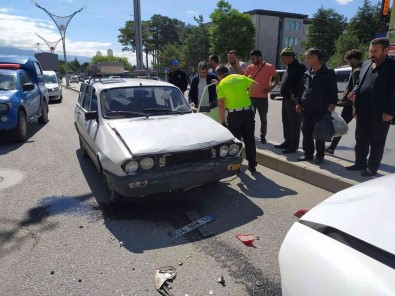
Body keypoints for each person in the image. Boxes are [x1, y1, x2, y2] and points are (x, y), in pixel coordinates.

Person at [346, 37, 395, 176]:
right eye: (370, 50)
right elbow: (359, 83)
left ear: (386, 50)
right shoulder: (366, 64)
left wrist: (390, 112)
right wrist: (354, 92)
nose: (371, 53)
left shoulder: (392, 66)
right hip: (363, 109)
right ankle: (360, 162)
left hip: (380, 112)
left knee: (377, 141)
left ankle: (372, 168)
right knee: (360, 138)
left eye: (375, 51)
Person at [295, 48, 338, 164]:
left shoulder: (327, 72)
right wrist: (298, 102)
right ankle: (308, 154)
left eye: (308, 57)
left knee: (320, 132)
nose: (306, 60)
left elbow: (333, 89)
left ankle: (320, 155)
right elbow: (302, 89)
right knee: (306, 131)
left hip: (321, 107)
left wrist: (333, 102)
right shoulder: (307, 73)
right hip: (306, 107)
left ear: (315, 58)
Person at [216, 64, 259, 173]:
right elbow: (255, 85)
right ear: (228, 71)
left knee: (236, 141)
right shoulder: (240, 77)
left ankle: (236, 166)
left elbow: (221, 104)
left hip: (234, 116)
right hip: (248, 112)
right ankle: (252, 164)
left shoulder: (221, 84)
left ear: (219, 75)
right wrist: (248, 96)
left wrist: (223, 120)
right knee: (249, 138)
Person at [325, 49, 363, 156]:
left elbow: (356, 89)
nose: (348, 63)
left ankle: (331, 149)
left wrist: (354, 107)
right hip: (356, 105)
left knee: (339, 126)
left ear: (353, 59)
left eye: (348, 61)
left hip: (351, 106)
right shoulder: (364, 68)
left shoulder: (357, 71)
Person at [274, 46, 306, 153]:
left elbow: (302, 84)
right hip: (286, 98)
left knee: (294, 124)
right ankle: (287, 141)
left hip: (294, 100)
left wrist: (297, 99)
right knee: (286, 122)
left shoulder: (299, 67)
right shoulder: (289, 67)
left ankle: (293, 146)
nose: (281, 60)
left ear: (289, 57)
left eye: (282, 57)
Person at [245, 49, 280, 143]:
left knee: (263, 119)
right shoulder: (249, 67)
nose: (252, 60)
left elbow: (277, 78)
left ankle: (263, 136)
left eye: (253, 58)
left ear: (259, 57)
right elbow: (244, 80)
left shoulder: (269, 67)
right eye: (251, 59)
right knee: (250, 119)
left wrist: (270, 88)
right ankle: (250, 135)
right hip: (251, 98)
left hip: (263, 98)